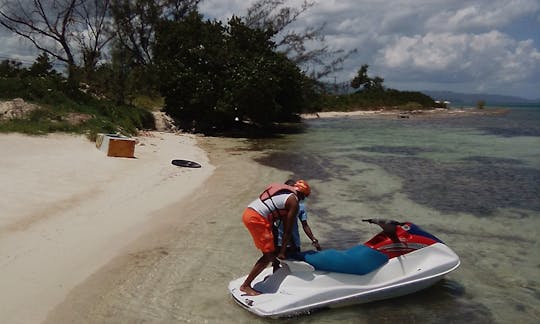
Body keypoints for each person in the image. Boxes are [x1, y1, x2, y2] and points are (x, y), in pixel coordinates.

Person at [240, 180, 312, 296]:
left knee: (271, 253)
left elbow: (279, 224)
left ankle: (276, 273)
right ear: (301, 194)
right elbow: (287, 231)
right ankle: (246, 285)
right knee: (268, 256)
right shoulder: (293, 202)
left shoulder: (284, 197)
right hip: (256, 218)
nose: (302, 200)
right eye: (303, 197)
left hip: (250, 213)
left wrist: (285, 249)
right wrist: (283, 252)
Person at [276, 180, 321, 258]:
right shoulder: (280, 205)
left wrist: (313, 239)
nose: (302, 198)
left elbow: (305, 225)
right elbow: (286, 227)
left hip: (291, 242)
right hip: (282, 242)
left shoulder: (301, 206)